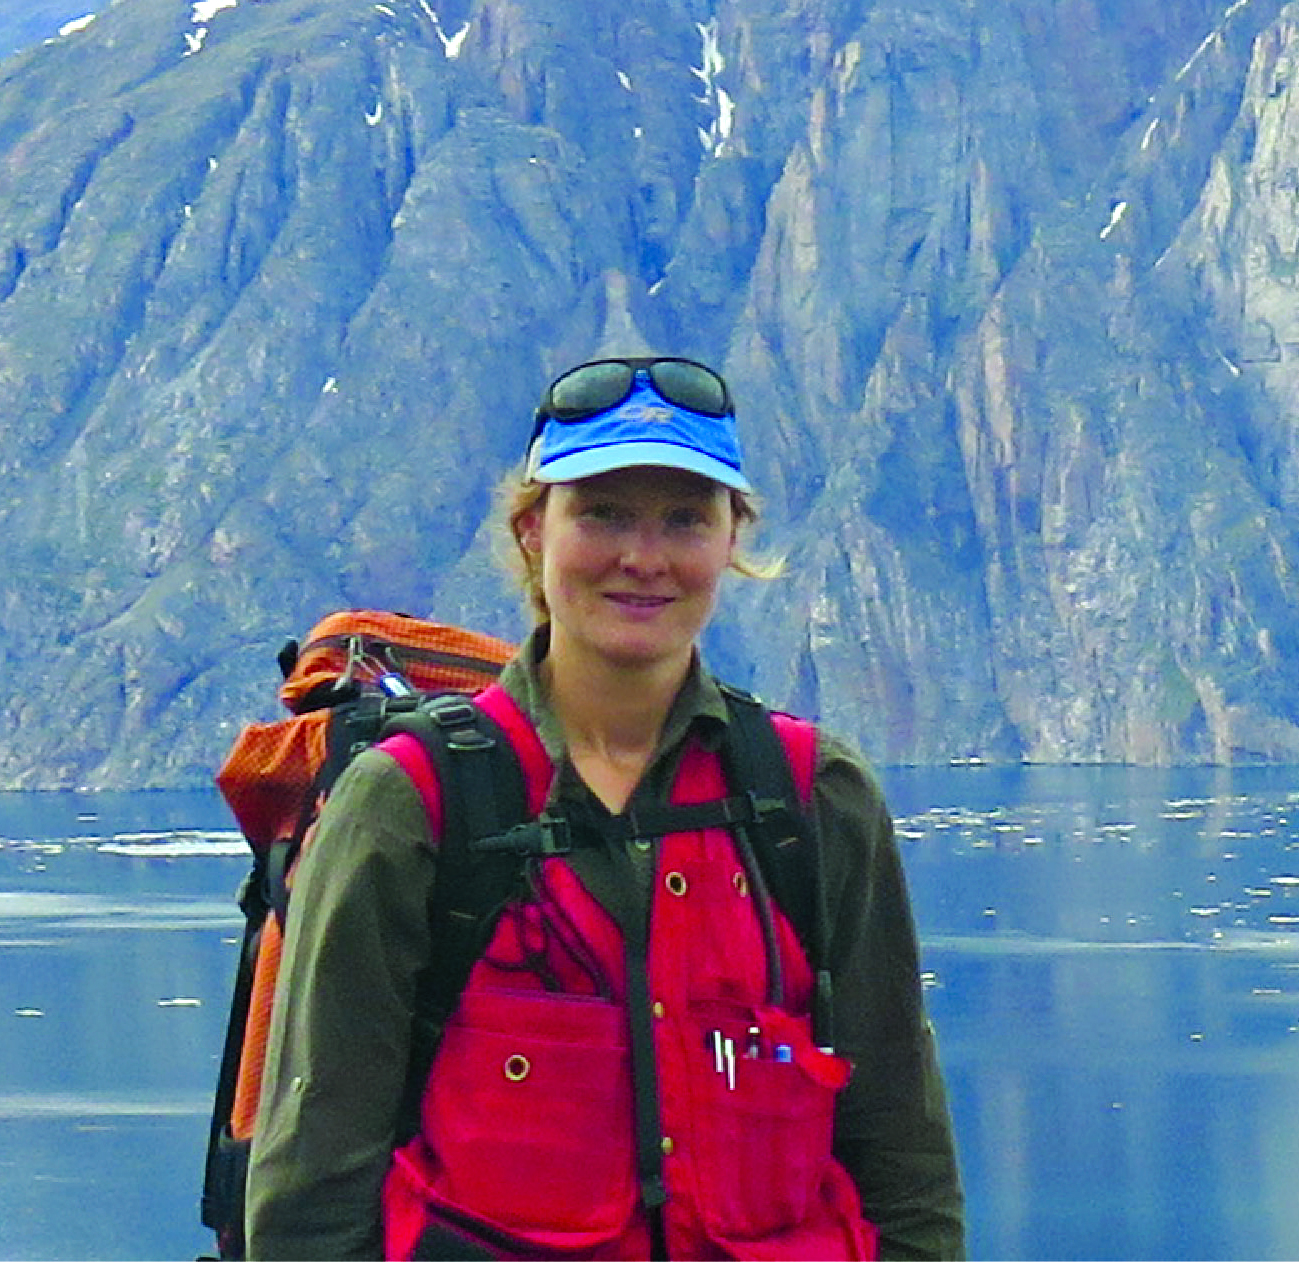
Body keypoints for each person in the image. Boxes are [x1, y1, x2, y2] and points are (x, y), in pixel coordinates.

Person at [244, 355, 965, 1260]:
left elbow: (900, 1148)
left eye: (684, 519)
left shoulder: (808, 796)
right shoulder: (412, 806)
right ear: (531, 532)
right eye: (603, 512)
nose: (643, 557)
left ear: (730, 539)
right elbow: (315, 1178)